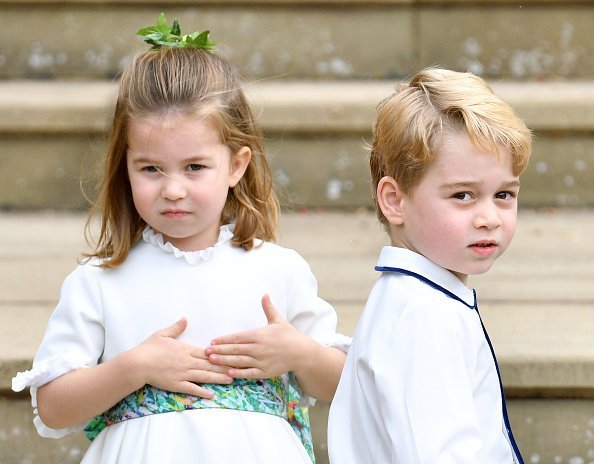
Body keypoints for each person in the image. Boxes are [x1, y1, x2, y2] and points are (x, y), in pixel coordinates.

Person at [12, 14, 348, 464]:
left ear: (236, 165)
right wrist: (136, 367)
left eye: (194, 167)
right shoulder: (100, 281)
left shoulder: (278, 269)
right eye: (151, 169)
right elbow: (53, 408)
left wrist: (297, 354)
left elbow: (347, 386)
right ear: (124, 166)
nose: (172, 189)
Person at [328, 67, 532, 463]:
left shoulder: (421, 300)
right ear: (394, 201)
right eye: (463, 195)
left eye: (504, 194)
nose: (489, 216)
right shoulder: (422, 316)